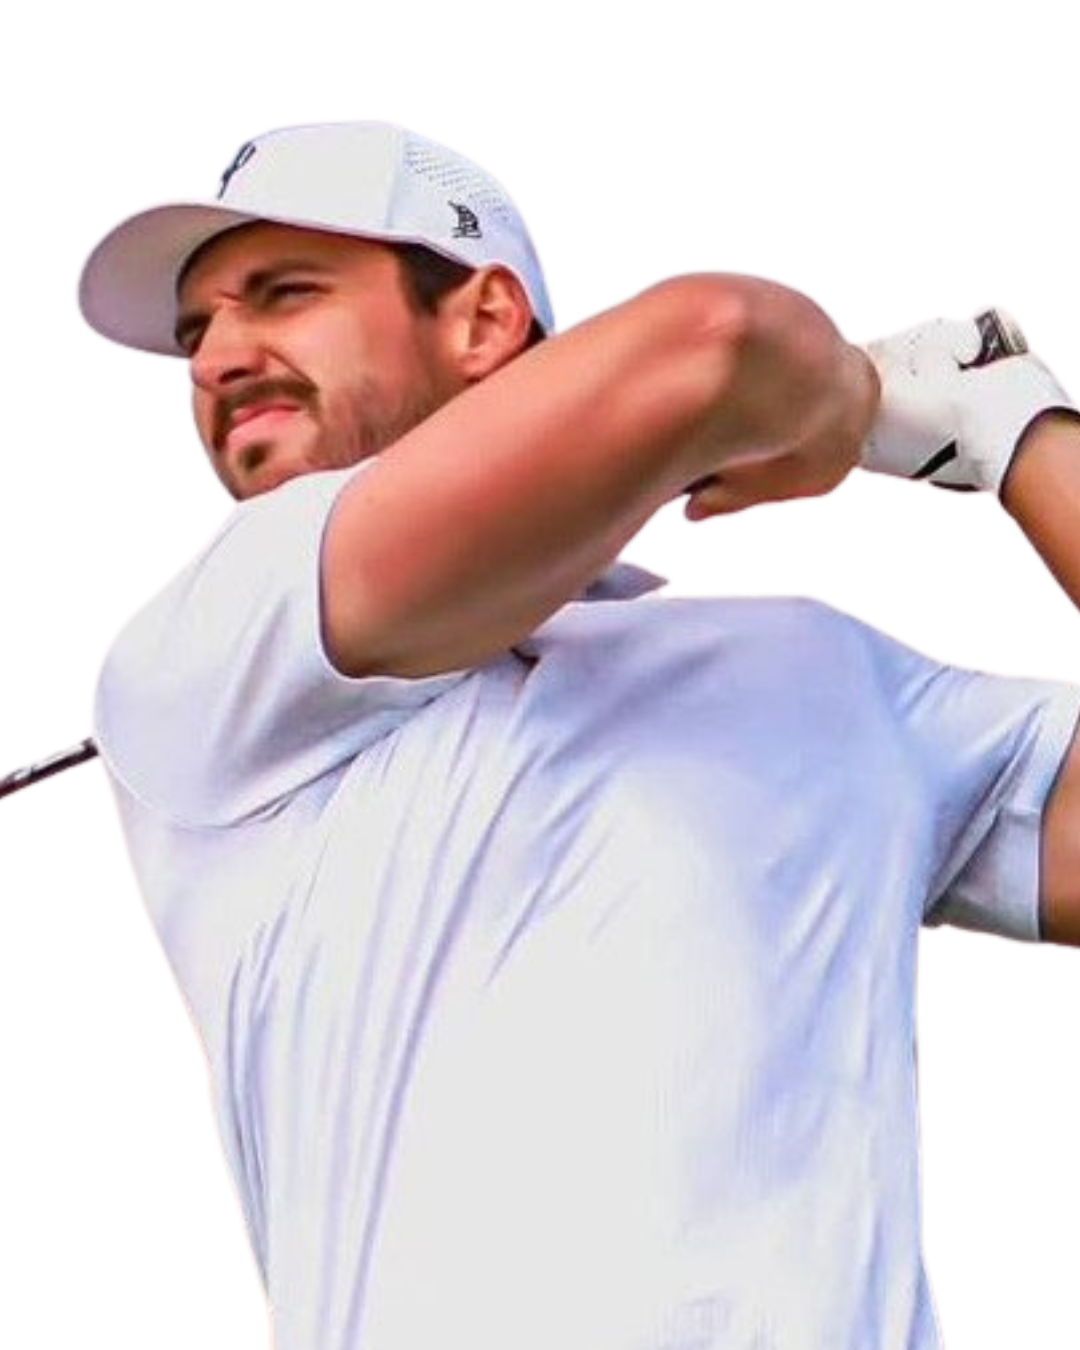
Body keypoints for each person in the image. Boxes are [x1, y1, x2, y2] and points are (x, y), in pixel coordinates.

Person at [73, 117, 1080, 1350]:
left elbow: (720, 360)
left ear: (484, 320)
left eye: (284, 294)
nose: (220, 358)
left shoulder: (824, 673)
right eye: (196, 334)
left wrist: (1015, 429)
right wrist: (857, 400)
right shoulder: (212, 641)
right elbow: (720, 343)